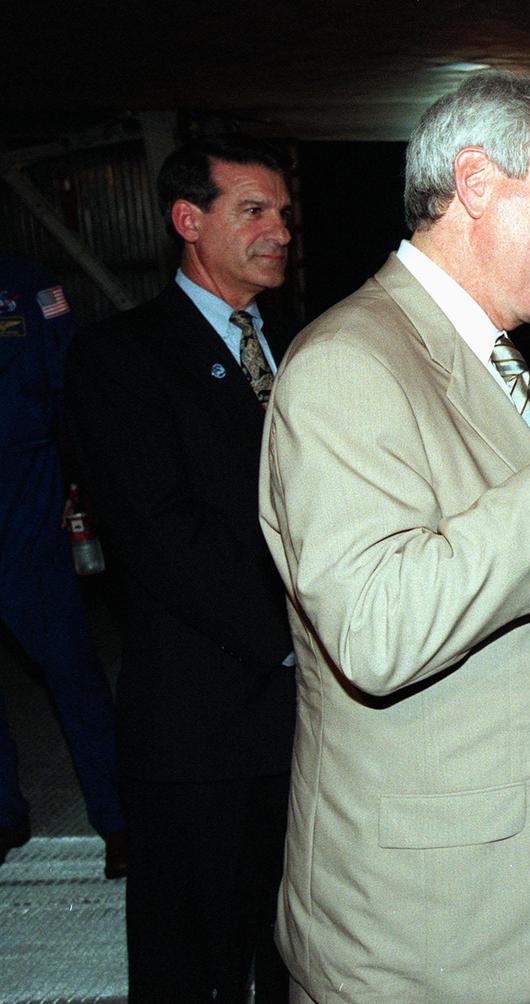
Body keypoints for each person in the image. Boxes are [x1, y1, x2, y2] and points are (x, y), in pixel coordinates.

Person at [259, 70, 530, 1002]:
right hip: (435, 929)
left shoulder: (490, 356)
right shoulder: (348, 363)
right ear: (477, 182)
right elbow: (377, 630)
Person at [66, 136, 297, 1000]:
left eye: (283, 214)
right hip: (200, 722)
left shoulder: (301, 346)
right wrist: (300, 637)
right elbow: (161, 538)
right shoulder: (120, 356)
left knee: (291, 947)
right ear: (187, 221)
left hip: (306, 723)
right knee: (188, 962)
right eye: (254, 211)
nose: (278, 231)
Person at [0, 256, 126, 877]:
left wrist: (79, 481)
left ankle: (119, 819)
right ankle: (3, 815)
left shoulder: (28, 286)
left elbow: (71, 383)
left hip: (25, 494)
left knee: (70, 667)